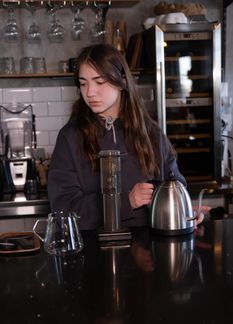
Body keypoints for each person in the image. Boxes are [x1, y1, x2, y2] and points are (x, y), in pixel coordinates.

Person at [47, 43, 203, 230]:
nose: (90, 92)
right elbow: (63, 210)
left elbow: (175, 186)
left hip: (150, 252)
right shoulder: (69, 138)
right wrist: (125, 201)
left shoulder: (151, 132)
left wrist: (183, 210)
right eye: (83, 83)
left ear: (122, 81)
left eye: (99, 82)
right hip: (94, 253)